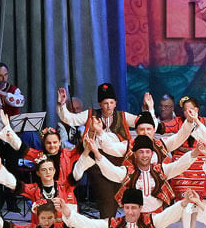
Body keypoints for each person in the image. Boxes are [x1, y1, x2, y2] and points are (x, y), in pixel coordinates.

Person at [57, 84, 144, 218]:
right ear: (100, 104)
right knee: (106, 197)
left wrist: (148, 110)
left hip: (118, 163)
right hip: (96, 162)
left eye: (111, 103)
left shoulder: (123, 116)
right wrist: (62, 105)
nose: (108, 106)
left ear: (116, 103)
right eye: (105, 103)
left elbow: (143, 122)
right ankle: (107, 226)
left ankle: (111, 225)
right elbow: (70, 119)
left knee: (116, 196)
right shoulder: (91, 114)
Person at [160, 96, 206, 228]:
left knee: (195, 200)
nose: (189, 112)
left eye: (191, 109)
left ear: (197, 110)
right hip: (182, 162)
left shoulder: (204, 122)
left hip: (199, 163)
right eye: (186, 110)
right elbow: (163, 127)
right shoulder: (178, 122)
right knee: (184, 197)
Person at [0, 62, 26, 212]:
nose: (3, 79)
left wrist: (4, 94)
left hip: (11, 135)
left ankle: (11, 201)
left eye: (5, 75)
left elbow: (20, 101)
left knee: (13, 168)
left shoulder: (13, 89)